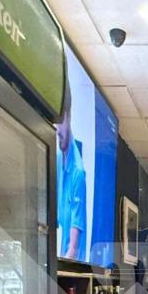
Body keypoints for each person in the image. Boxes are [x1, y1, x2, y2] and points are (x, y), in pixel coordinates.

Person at [56, 86, 87, 261]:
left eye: (59, 122)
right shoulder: (57, 159)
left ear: (68, 117)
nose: (56, 130)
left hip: (70, 262)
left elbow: (73, 250)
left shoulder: (78, 173)